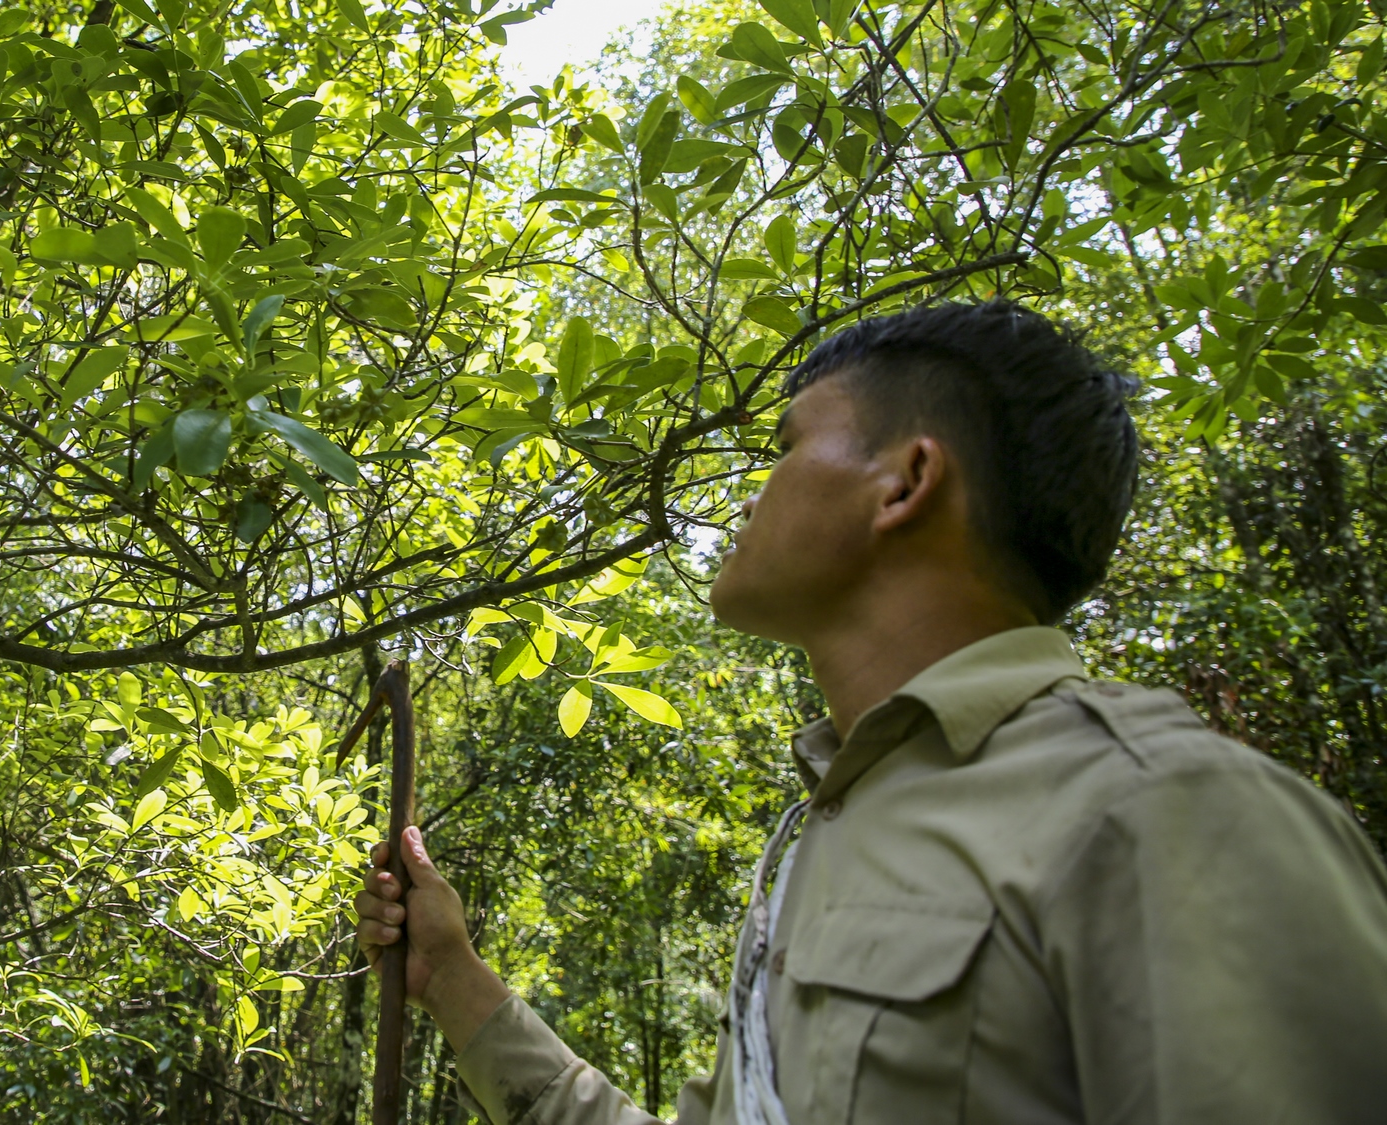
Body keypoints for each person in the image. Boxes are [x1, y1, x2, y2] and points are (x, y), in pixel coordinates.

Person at [354, 300, 1387, 1124]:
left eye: (785, 448)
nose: (753, 493)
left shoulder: (1165, 809)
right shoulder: (823, 839)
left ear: (904, 482)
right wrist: (453, 982)